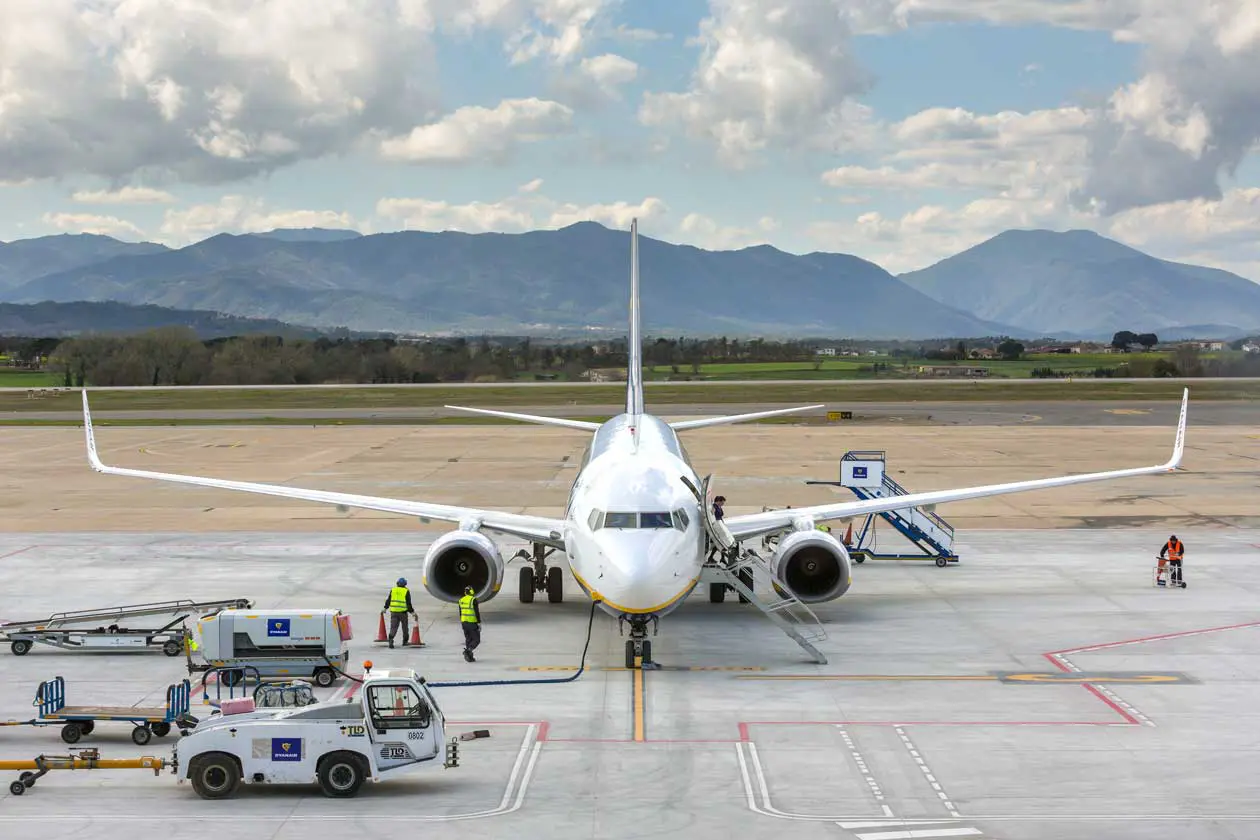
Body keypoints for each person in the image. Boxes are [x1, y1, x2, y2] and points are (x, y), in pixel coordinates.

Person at [384, 577, 419, 648]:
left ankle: (391, 639)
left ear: (397, 583)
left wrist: (385, 608)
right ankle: (405, 641)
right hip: (403, 613)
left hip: (393, 612)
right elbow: (408, 603)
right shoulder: (406, 591)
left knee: (393, 627)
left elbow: (389, 600)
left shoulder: (393, 590)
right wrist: (412, 613)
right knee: (405, 627)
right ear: (405, 584)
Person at [459, 586, 481, 662]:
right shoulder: (473, 600)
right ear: (472, 592)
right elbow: (476, 612)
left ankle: (469, 657)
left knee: (468, 639)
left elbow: (460, 613)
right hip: (472, 623)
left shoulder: (461, 600)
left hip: (464, 623)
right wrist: (479, 622)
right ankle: (468, 651)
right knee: (476, 639)